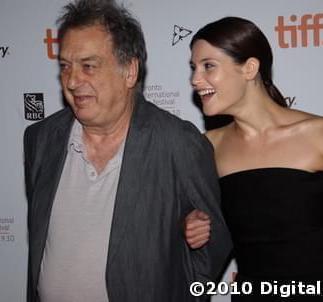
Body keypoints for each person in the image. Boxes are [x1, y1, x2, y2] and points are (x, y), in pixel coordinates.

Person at [23, 1, 232, 301]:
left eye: (88, 66)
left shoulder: (177, 142)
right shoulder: (40, 139)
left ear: (129, 71)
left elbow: (214, 242)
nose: (71, 81)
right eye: (65, 66)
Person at [184, 17, 323, 301]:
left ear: (249, 68)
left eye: (208, 66)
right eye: (193, 68)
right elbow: (200, 219)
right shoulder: (208, 147)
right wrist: (191, 222)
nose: (195, 79)